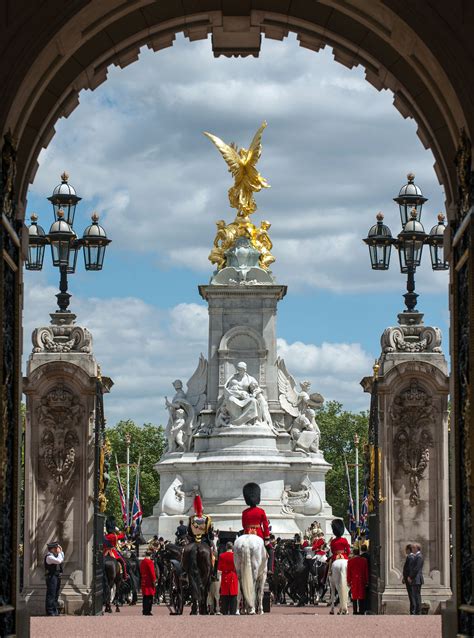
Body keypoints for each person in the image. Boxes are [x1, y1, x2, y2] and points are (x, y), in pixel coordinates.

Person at [241, 482, 273, 572]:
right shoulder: (261, 511)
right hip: (259, 534)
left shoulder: (244, 512)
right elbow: (265, 525)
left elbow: (243, 525)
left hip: (246, 534)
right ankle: (270, 569)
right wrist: (266, 538)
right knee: (270, 550)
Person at [217, 541, 239, 614]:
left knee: (224, 595)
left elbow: (219, 570)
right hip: (233, 576)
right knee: (233, 595)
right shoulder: (236, 556)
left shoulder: (221, 556)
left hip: (225, 576)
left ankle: (224, 611)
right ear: (232, 547)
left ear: (226, 547)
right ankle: (233, 611)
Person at [347, 547, 369, 614]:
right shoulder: (364, 560)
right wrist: (367, 580)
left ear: (353, 553)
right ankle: (361, 610)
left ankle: (355, 611)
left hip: (354, 580)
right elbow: (366, 571)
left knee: (354, 596)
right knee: (361, 595)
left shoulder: (350, 561)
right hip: (361, 580)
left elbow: (349, 572)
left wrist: (348, 581)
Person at [44, 541, 64, 616]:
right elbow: (59, 560)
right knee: (51, 594)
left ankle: (54, 610)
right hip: (51, 577)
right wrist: (59, 552)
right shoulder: (49, 557)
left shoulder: (56, 555)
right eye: (56, 548)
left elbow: (62, 557)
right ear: (52, 549)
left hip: (56, 576)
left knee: (56, 594)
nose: (57, 549)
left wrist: (60, 551)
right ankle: (50, 611)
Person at [408, 543, 424, 614]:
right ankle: (417, 611)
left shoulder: (419, 557)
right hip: (416, 578)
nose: (412, 549)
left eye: (413, 548)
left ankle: (417, 611)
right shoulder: (417, 556)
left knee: (416, 595)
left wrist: (410, 577)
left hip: (416, 579)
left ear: (417, 548)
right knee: (415, 595)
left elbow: (416, 568)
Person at [140, 549, 156, 616]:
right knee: (149, 597)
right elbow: (152, 572)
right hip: (149, 581)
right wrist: (154, 580)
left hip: (144, 580)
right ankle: (148, 611)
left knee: (145, 597)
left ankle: (144, 610)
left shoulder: (142, 562)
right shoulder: (150, 562)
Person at [402, 543, 415, 614]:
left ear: (408, 550)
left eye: (406, 550)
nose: (405, 551)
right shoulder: (412, 557)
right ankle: (413, 610)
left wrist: (407, 577)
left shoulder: (410, 557)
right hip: (409, 578)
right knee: (411, 595)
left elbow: (409, 569)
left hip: (409, 579)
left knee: (411, 595)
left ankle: (413, 611)